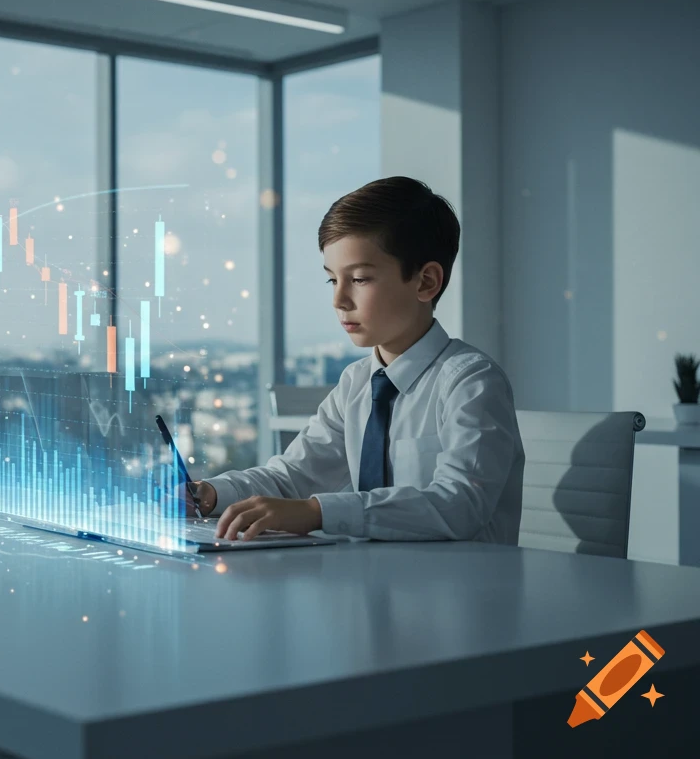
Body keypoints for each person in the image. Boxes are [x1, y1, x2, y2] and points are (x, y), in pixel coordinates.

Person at [192, 176, 524, 543]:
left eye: (360, 279)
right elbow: (292, 476)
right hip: (368, 581)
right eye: (332, 280)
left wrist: (318, 512)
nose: (339, 301)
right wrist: (210, 494)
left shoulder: (471, 382)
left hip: (459, 590)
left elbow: (459, 504)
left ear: (426, 282)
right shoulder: (356, 384)